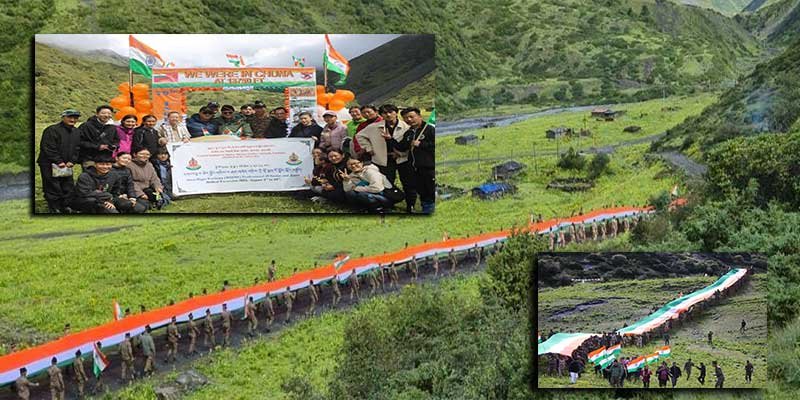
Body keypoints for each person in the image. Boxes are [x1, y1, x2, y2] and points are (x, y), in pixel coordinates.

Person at [38, 109, 82, 213]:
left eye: (75, 118)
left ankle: (65, 206)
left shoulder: (76, 131)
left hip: (67, 165)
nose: (72, 119)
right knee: (52, 186)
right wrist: (58, 161)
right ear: (63, 117)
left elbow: (78, 148)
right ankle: (54, 207)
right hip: (49, 163)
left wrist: (73, 161)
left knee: (67, 185)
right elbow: (48, 147)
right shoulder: (52, 130)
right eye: (70, 117)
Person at [394, 107, 435, 213]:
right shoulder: (409, 133)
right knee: (421, 191)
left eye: (411, 117)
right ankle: (425, 209)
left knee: (430, 190)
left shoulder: (430, 129)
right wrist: (389, 139)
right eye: (406, 118)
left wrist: (421, 144)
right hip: (414, 168)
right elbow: (401, 146)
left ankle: (430, 210)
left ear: (419, 116)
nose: (409, 120)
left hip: (428, 166)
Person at [71, 152, 136, 214]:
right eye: (101, 164)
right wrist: (106, 198)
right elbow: (84, 193)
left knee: (127, 204)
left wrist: (111, 201)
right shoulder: (85, 176)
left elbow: (115, 192)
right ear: (95, 164)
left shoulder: (115, 175)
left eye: (108, 164)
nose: (105, 167)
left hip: (108, 199)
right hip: (87, 200)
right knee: (92, 201)